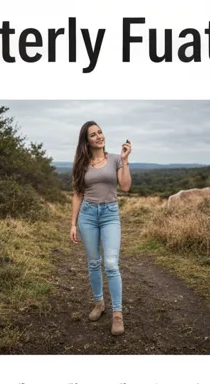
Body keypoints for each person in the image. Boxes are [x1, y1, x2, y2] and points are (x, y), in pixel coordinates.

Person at [69, 121, 132, 335]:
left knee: (111, 263)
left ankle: (117, 313)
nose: (99, 136)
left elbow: (125, 186)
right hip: (87, 216)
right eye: (93, 134)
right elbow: (78, 194)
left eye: (100, 132)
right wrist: (73, 223)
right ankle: (99, 303)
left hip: (109, 215)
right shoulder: (81, 163)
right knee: (94, 262)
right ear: (86, 140)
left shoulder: (115, 159)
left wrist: (125, 160)